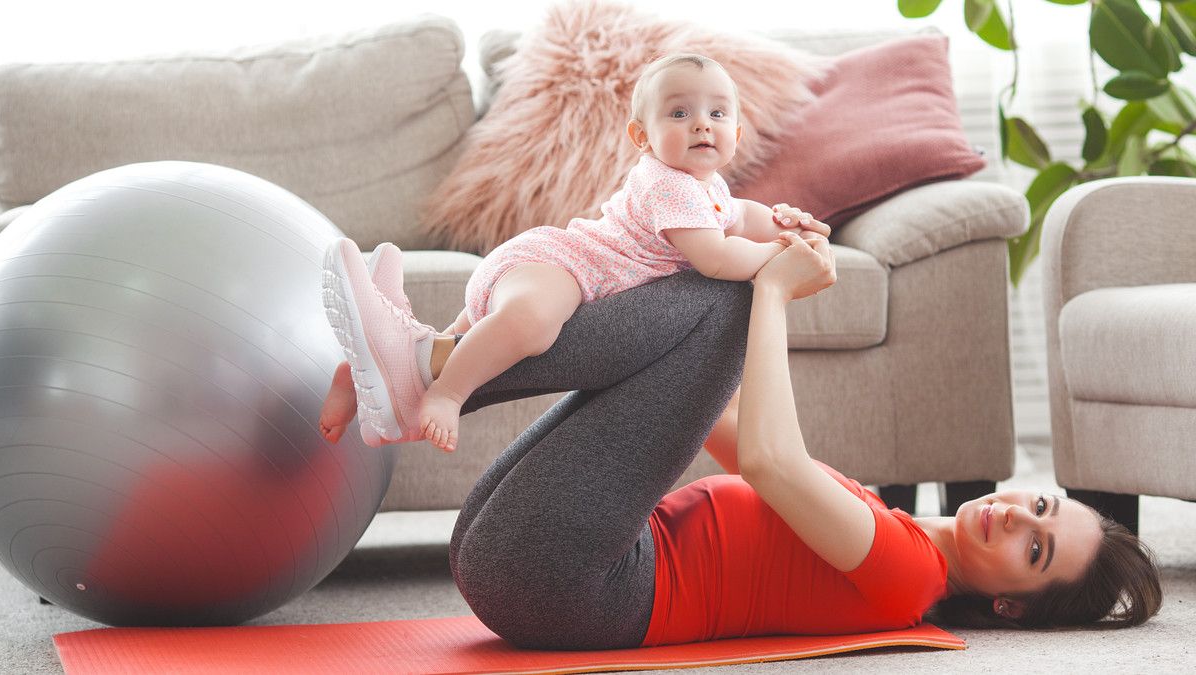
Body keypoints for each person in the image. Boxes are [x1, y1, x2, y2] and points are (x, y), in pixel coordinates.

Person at [325, 231, 1161, 648]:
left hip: (570, 584)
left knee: (724, 301)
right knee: (704, 298)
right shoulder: (885, 519)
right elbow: (715, 423)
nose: (1015, 518)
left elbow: (767, 458)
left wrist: (768, 294)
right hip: (530, 559)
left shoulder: (909, 575)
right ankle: (425, 368)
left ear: (1011, 601)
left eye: (1037, 549)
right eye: (1040, 504)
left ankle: (423, 367)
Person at [319, 53, 827, 452]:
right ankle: (447, 394)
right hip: (561, 266)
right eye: (679, 113)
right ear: (641, 136)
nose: (701, 125)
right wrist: (777, 259)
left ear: (735, 134)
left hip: (570, 272)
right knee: (531, 327)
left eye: (717, 113)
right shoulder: (667, 185)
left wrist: (787, 225)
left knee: (474, 341)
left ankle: (370, 373)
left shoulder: (705, 185)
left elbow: (741, 216)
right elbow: (716, 258)